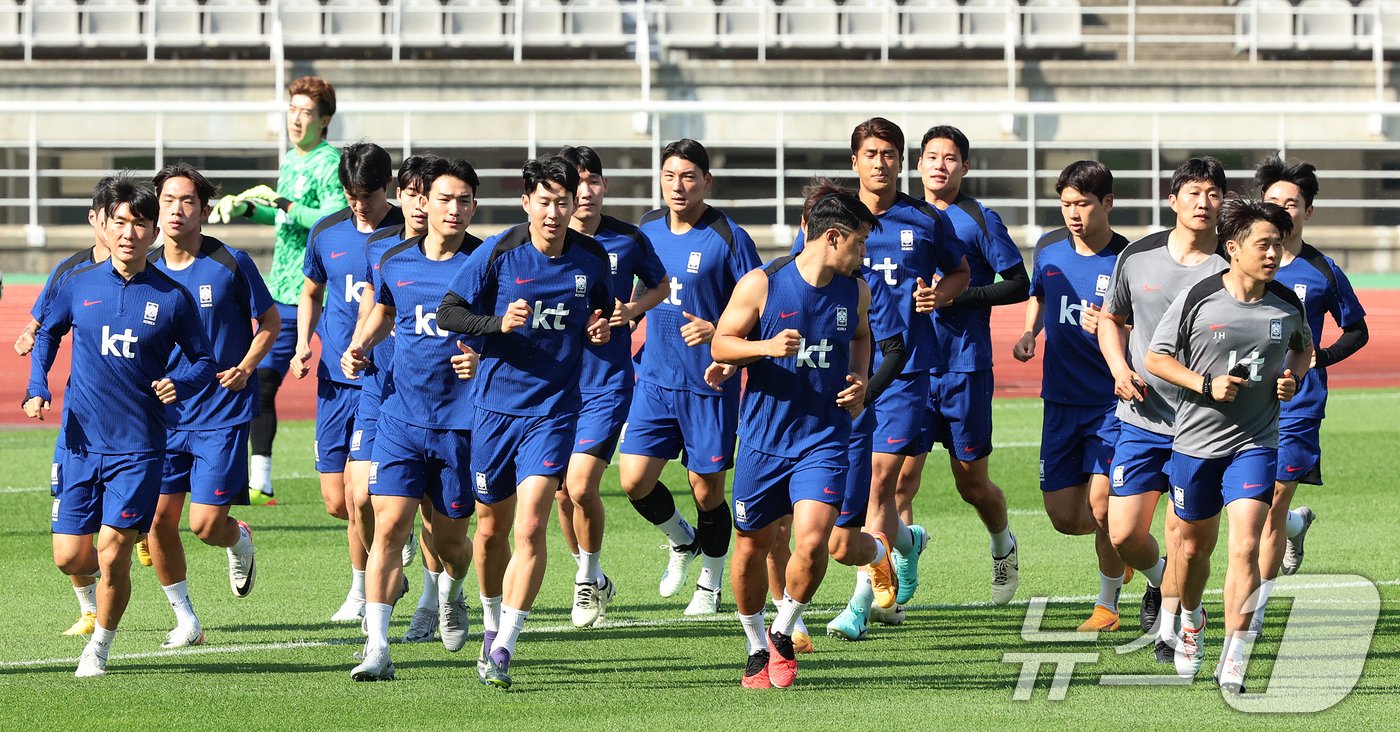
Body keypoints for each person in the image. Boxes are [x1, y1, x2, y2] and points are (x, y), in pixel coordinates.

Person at [25, 176, 217, 676]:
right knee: (70, 557)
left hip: (139, 448)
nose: (129, 232)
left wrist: (182, 381)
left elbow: (203, 360)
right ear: (104, 226)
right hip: (80, 444)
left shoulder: (173, 297)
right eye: (120, 222)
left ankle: (101, 647)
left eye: (140, 223)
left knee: (112, 553)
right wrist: (37, 385)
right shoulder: (78, 284)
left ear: (153, 232)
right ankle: (97, 602)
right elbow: (46, 334)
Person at [437, 156, 613, 689]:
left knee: (531, 523)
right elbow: (449, 312)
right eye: (545, 202)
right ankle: (491, 625)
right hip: (493, 411)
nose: (556, 212)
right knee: (490, 532)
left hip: (554, 411)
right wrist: (497, 324)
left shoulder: (592, 258)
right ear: (527, 203)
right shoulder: (500, 251)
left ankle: (506, 644)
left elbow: (599, 317)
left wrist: (600, 330)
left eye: (564, 201)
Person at [791, 118, 968, 628]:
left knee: (880, 482)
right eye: (870, 153)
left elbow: (960, 271)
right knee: (851, 485)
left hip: (905, 367)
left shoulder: (925, 219)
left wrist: (942, 294)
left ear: (901, 161)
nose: (880, 162)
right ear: (854, 161)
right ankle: (906, 542)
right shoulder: (832, 217)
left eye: (890, 153)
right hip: (839, 370)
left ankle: (858, 606)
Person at [711, 188, 881, 689]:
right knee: (750, 548)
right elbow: (722, 341)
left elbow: (861, 337)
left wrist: (860, 381)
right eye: (860, 242)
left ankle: (782, 633)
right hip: (763, 442)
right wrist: (765, 346)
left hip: (825, 439)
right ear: (833, 237)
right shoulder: (762, 284)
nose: (864, 253)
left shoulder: (856, 291)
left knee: (811, 542)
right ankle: (754, 643)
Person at [1144, 198, 1311, 694]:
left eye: (1279, 245)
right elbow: (1156, 358)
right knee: (1193, 551)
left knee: (1244, 545)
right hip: (1196, 444)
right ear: (1234, 249)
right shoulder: (1199, 298)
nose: (1274, 254)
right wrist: (1204, 384)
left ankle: (1235, 655)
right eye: (1264, 244)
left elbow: (1303, 350)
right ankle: (1192, 620)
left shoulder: (1286, 304)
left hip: (1256, 443)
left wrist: (1293, 380)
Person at [341, 158, 484, 682]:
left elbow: (512, 330)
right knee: (388, 527)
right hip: (400, 416)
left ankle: (452, 590)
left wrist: (482, 358)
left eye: (463, 200)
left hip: (460, 424)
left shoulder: (488, 262)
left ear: (474, 206)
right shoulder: (395, 259)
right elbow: (384, 309)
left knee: (449, 542)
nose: (452, 209)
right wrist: (361, 345)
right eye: (443, 198)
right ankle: (377, 648)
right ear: (421, 202)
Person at [617, 139, 762, 615]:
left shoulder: (728, 237)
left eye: (688, 176)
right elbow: (644, 291)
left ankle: (711, 581)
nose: (678, 186)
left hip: (709, 386)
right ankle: (682, 541)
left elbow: (762, 309)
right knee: (634, 480)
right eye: (670, 176)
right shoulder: (648, 228)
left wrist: (718, 329)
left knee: (707, 490)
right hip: (654, 379)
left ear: (706, 181)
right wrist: (629, 315)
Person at [1097, 157, 1229, 662]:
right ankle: (1158, 583)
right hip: (1140, 418)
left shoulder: (1230, 266)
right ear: (1173, 200)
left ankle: (1173, 629)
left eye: (1213, 193)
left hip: (1203, 427)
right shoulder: (1138, 255)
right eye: (1193, 192)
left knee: (1181, 533)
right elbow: (1112, 318)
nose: (1203, 202)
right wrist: (1118, 368)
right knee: (1124, 531)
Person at [144, 163, 279, 647]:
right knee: (159, 521)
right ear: (156, 209)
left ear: (203, 209)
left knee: (203, 525)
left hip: (220, 412)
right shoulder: (146, 266)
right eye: (167, 201)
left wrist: (245, 366)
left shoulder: (230, 262)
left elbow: (269, 321)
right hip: (164, 418)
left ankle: (237, 537)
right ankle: (186, 620)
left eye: (187, 201)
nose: (176, 210)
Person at [899, 125, 1029, 606]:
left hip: (964, 368)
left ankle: (1002, 545)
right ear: (918, 165)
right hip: (909, 366)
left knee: (971, 482)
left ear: (965, 166)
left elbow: (1018, 283)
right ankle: (900, 566)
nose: (940, 165)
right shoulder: (900, 216)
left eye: (950, 158)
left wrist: (955, 297)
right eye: (931, 156)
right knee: (897, 479)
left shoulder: (980, 218)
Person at [210, 76, 347, 505]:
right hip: (287, 288)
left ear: (325, 120)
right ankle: (262, 478)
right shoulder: (290, 160)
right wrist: (247, 208)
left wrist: (284, 203)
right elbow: (286, 222)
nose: (297, 118)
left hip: (329, 286)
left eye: (307, 112)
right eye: (293, 109)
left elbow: (332, 218)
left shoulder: (330, 162)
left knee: (356, 372)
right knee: (262, 380)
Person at [551, 145, 668, 628]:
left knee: (581, 486)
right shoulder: (547, 243)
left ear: (605, 187)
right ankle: (592, 577)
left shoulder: (628, 240)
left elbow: (660, 286)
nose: (585, 192)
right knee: (560, 494)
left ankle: (586, 579)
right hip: (555, 388)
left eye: (593, 181)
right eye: (576, 184)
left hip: (606, 384)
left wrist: (629, 311)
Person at [1251, 154, 1369, 633]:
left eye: (1292, 203)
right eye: (1273, 200)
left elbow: (1356, 330)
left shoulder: (1322, 269)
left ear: (1308, 211)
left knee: (1270, 504)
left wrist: (1321, 357)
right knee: (1248, 505)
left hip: (1298, 405)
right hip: (1239, 404)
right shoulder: (1235, 258)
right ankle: (1297, 527)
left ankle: (1253, 612)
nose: (1282, 208)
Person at [1012, 161, 1131, 630]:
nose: (1073, 214)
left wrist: (1115, 323)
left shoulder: (1130, 258)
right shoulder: (1047, 248)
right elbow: (1040, 294)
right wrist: (1028, 332)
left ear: (1107, 203)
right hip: (1059, 399)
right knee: (1066, 517)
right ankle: (1141, 554)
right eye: (1066, 205)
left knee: (1104, 506)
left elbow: (1154, 324)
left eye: (1083, 204)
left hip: (1112, 401)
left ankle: (1109, 606)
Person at [290, 142, 405, 622]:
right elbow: (311, 291)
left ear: (389, 187)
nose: (359, 204)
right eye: (351, 193)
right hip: (334, 382)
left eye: (369, 194)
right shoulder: (326, 232)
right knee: (339, 502)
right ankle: (394, 542)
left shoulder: (408, 232)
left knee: (363, 497)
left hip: (386, 381)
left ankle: (362, 590)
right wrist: (303, 344)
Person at [17, 176, 118, 637]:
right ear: (95, 219)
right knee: (71, 550)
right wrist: (31, 345)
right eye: (109, 218)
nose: (121, 230)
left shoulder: (152, 273)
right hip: (83, 422)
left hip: (142, 427)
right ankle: (88, 607)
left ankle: (184, 617)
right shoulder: (72, 271)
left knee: (147, 530)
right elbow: (44, 322)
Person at [354, 154, 448, 642]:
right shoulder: (382, 250)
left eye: (422, 193)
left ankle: (435, 600)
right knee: (359, 499)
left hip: (443, 402)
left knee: (437, 518)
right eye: (408, 193)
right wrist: (357, 346)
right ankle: (374, 622)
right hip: (383, 389)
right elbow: (375, 306)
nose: (414, 202)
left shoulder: (468, 256)